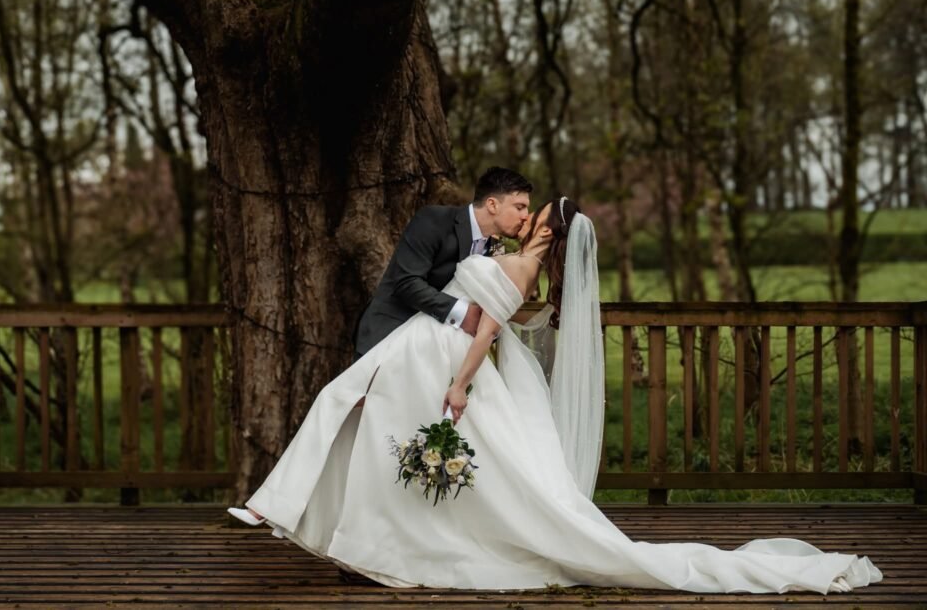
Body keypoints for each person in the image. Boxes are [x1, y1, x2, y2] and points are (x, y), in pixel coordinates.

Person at [229, 197, 883, 594]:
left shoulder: (520, 261)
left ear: (548, 226)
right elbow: (504, 317)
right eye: (522, 206)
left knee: (362, 426)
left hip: (445, 362)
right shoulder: (518, 262)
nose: (525, 213)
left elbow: (485, 328)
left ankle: (308, 521)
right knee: (347, 415)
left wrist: (459, 384)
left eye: (535, 211)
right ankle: (294, 515)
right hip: (418, 354)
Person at [353, 166, 531, 359]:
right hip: (388, 339)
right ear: (492, 205)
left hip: (435, 351)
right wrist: (464, 314)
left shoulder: (496, 248)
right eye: (519, 207)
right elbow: (406, 282)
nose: (525, 216)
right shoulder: (434, 220)